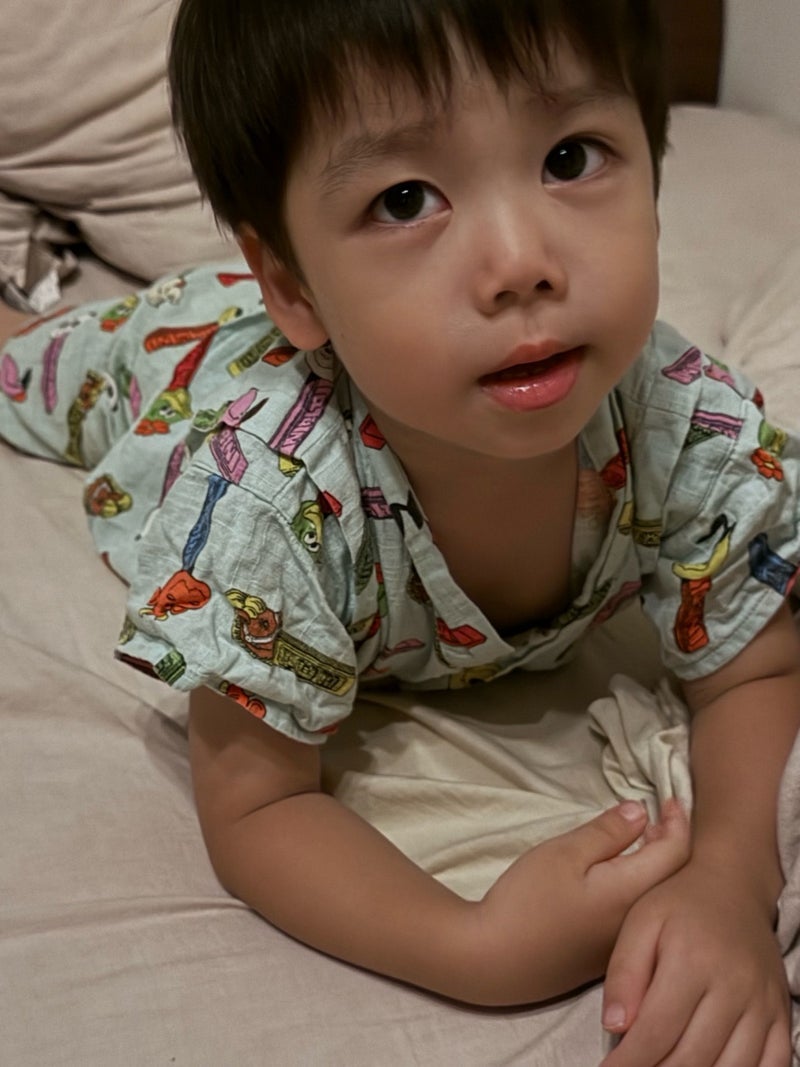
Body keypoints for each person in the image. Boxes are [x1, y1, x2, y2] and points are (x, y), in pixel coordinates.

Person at [0, 1, 797, 1062]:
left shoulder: (681, 424)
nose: (521, 261)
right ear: (292, 284)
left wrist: (731, 877)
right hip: (182, 360)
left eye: (569, 157)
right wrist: (469, 943)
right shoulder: (272, 500)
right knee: (42, 360)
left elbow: (751, 661)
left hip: (288, 321)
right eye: (405, 198)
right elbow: (257, 808)